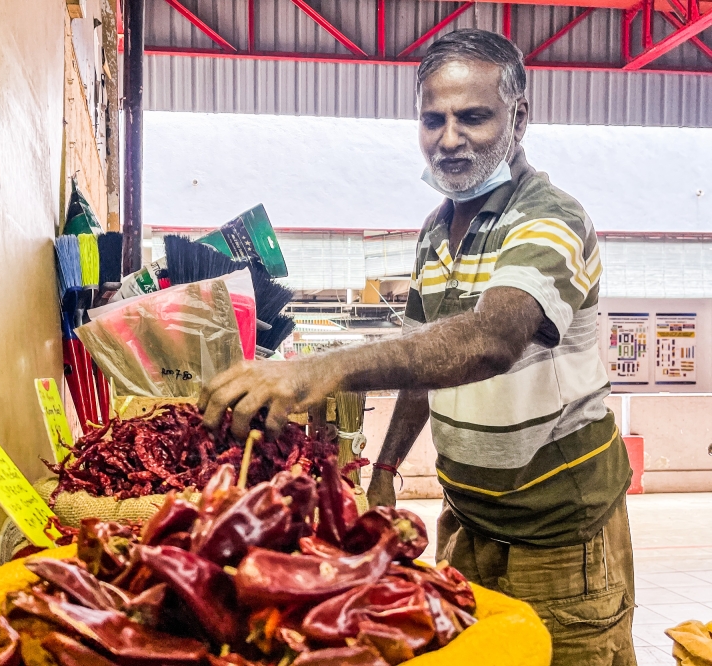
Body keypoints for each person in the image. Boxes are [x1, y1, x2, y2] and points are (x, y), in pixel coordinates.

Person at [199, 29, 636, 666]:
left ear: (519, 119)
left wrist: (320, 371)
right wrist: (384, 470)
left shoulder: (550, 219)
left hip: (560, 532)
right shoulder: (436, 230)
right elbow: (425, 359)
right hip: (468, 521)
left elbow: (489, 341)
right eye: (433, 119)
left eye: (473, 117)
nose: (449, 139)